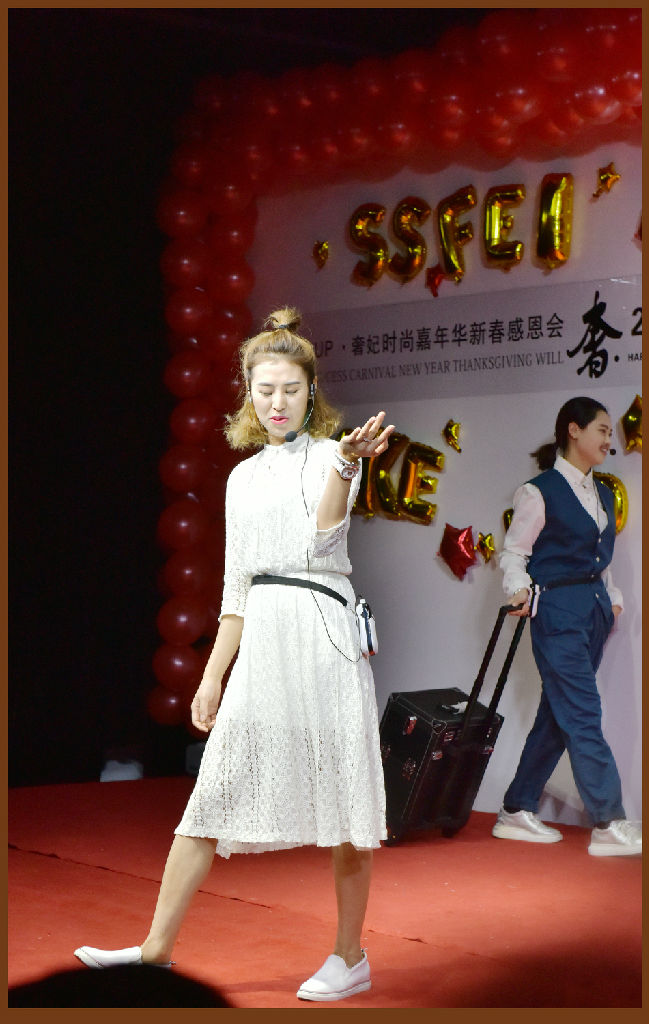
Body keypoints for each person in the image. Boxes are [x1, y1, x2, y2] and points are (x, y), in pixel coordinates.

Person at [74, 307, 395, 1001]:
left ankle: (349, 956)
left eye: (290, 389)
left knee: (346, 805)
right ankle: (154, 950)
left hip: (323, 631)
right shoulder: (241, 478)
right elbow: (235, 589)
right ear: (248, 393)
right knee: (210, 794)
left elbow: (322, 535)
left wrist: (346, 463)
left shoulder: (331, 456)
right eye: (264, 389)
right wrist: (212, 675)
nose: (277, 402)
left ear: (311, 391)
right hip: (264, 642)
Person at [493, 396, 641, 856]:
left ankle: (516, 808)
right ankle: (608, 820)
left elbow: (600, 559)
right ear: (574, 430)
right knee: (582, 712)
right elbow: (514, 552)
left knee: (559, 715)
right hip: (556, 612)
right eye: (602, 430)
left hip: (593, 612)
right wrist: (518, 588)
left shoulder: (600, 493)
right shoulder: (538, 491)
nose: (608, 440)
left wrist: (613, 601)